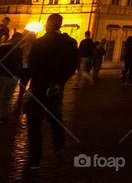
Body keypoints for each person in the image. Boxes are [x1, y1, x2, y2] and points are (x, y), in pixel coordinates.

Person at [25, 14, 78, 169]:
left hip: (40, 86)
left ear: (48, 24)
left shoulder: (40, 43)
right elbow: (72, 64)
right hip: (56, 87)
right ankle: (59, 142)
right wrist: (60, 81)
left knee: (34, 123)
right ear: (60, 25)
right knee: (54, 114)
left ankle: (35, 158)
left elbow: (32, 64)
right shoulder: (69, 43)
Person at [0, 33, 23, 120]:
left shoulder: (17, 49)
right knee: (5, 95)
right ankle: (3, 113)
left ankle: (3, 112)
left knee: (6, 95)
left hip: (10, 75)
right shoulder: (5, 48)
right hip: (7, 75)